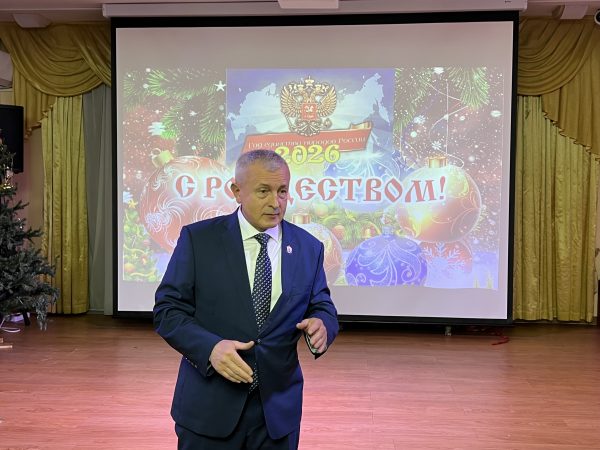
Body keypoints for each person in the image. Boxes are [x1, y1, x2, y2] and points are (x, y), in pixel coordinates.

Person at [154, 149, 338, 449]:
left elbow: (321, 304)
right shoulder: (199, 240)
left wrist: (322, 323)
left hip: (277, 414)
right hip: (209, 410)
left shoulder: (309, 247)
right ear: (236, 191)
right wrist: (210, 348)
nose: (275, 202)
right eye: (263, 191)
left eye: (282, 191)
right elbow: (168, 310)